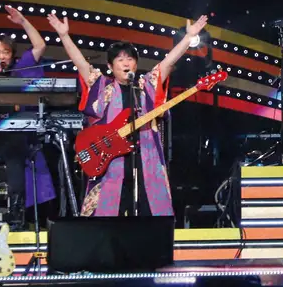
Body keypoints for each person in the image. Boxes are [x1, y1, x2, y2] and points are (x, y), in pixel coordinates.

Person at [48, 11, 208, 217]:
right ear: (110, 66)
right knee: (106, 219)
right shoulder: (102, 86)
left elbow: (167, 63)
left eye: (130, 59)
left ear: (136, 64)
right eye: (120, 59)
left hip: (146, 159)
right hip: (109, 163)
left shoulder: (146, 86)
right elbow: (80, 63)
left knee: (151, 217)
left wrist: (188, 38)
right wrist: (63, 35)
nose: (125, 63)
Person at [0, 6, 55, 227]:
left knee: (15, 148)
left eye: (6, 52)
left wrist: (23, 21)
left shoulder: (19, 70)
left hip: (9, 134)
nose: (2, 56)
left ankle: (16, 215)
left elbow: (40, 46)